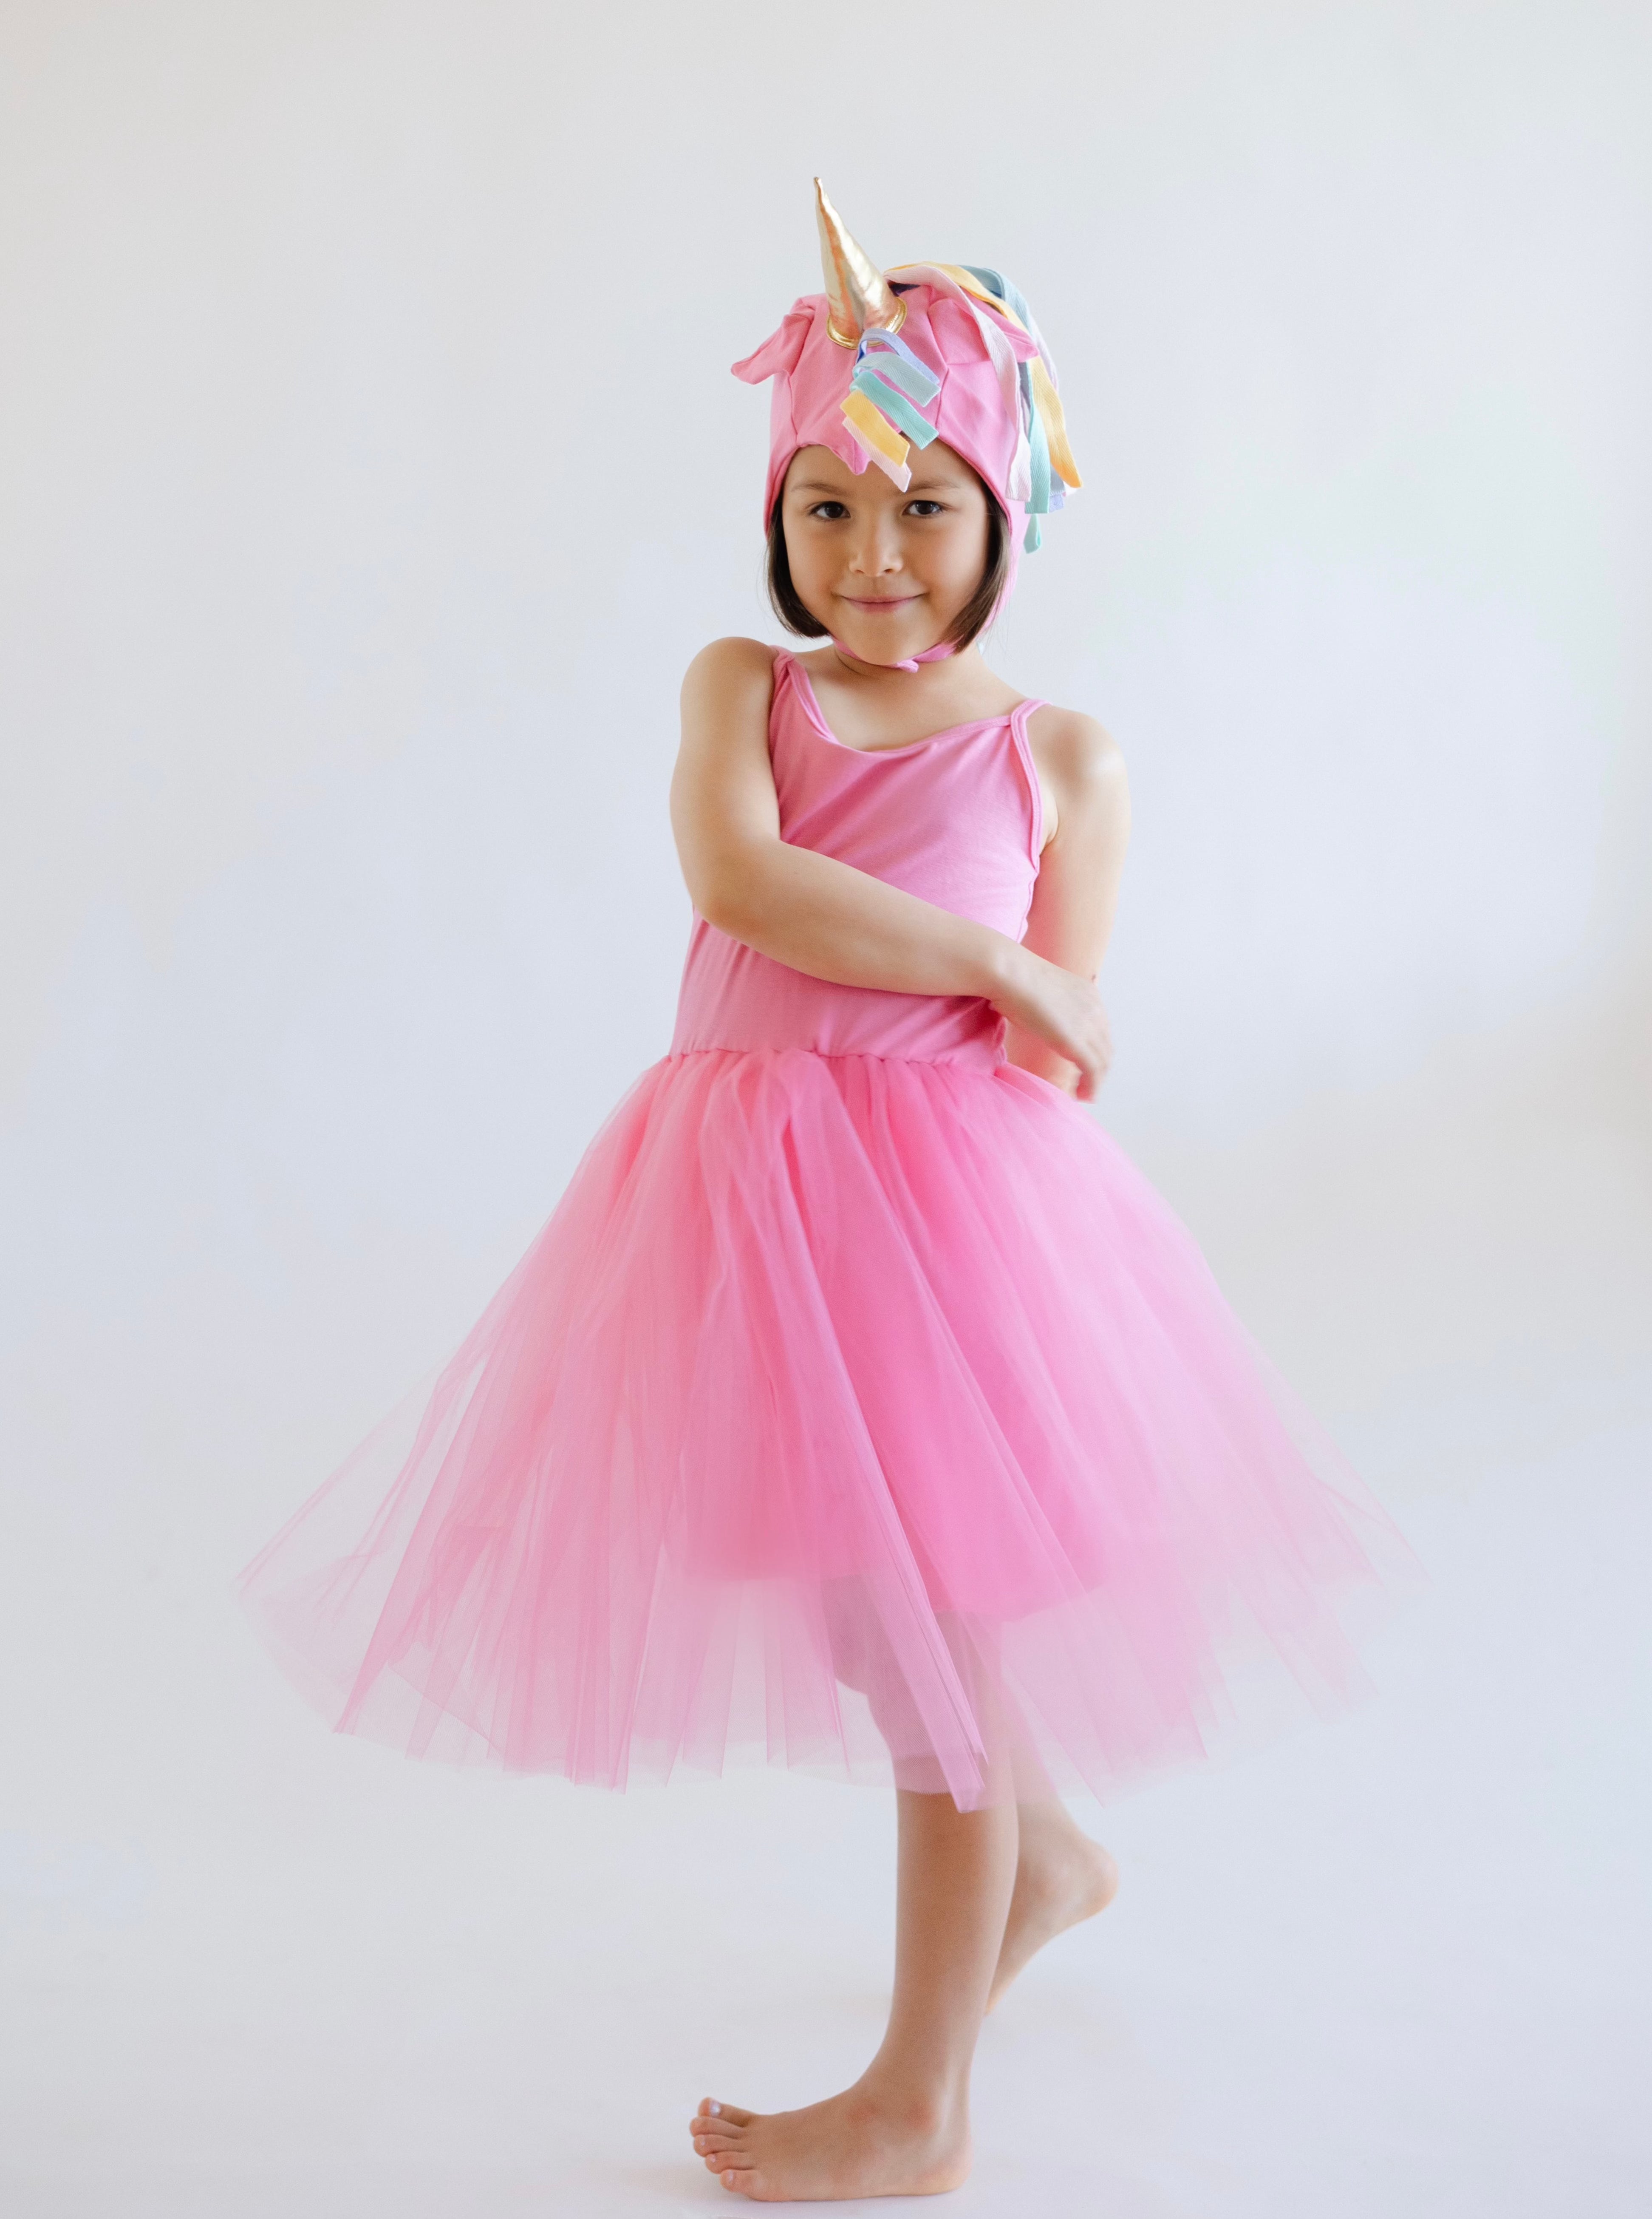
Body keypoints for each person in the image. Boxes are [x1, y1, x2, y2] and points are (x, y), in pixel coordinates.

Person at [238, 181, 1406, 2203]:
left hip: (949, 1226)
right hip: (749, 1200)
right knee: (870, 1615)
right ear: (776, 520)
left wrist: (1051, 996)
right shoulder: (740, 695)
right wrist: (996, 962)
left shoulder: (1066, 758)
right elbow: (744, 885)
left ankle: (920, 2095)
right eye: (830, 509)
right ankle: (1045, 1857)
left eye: (927, 507)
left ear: (1005, 522)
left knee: (941, 1640)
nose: (874, 557)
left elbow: (1065, 1044)